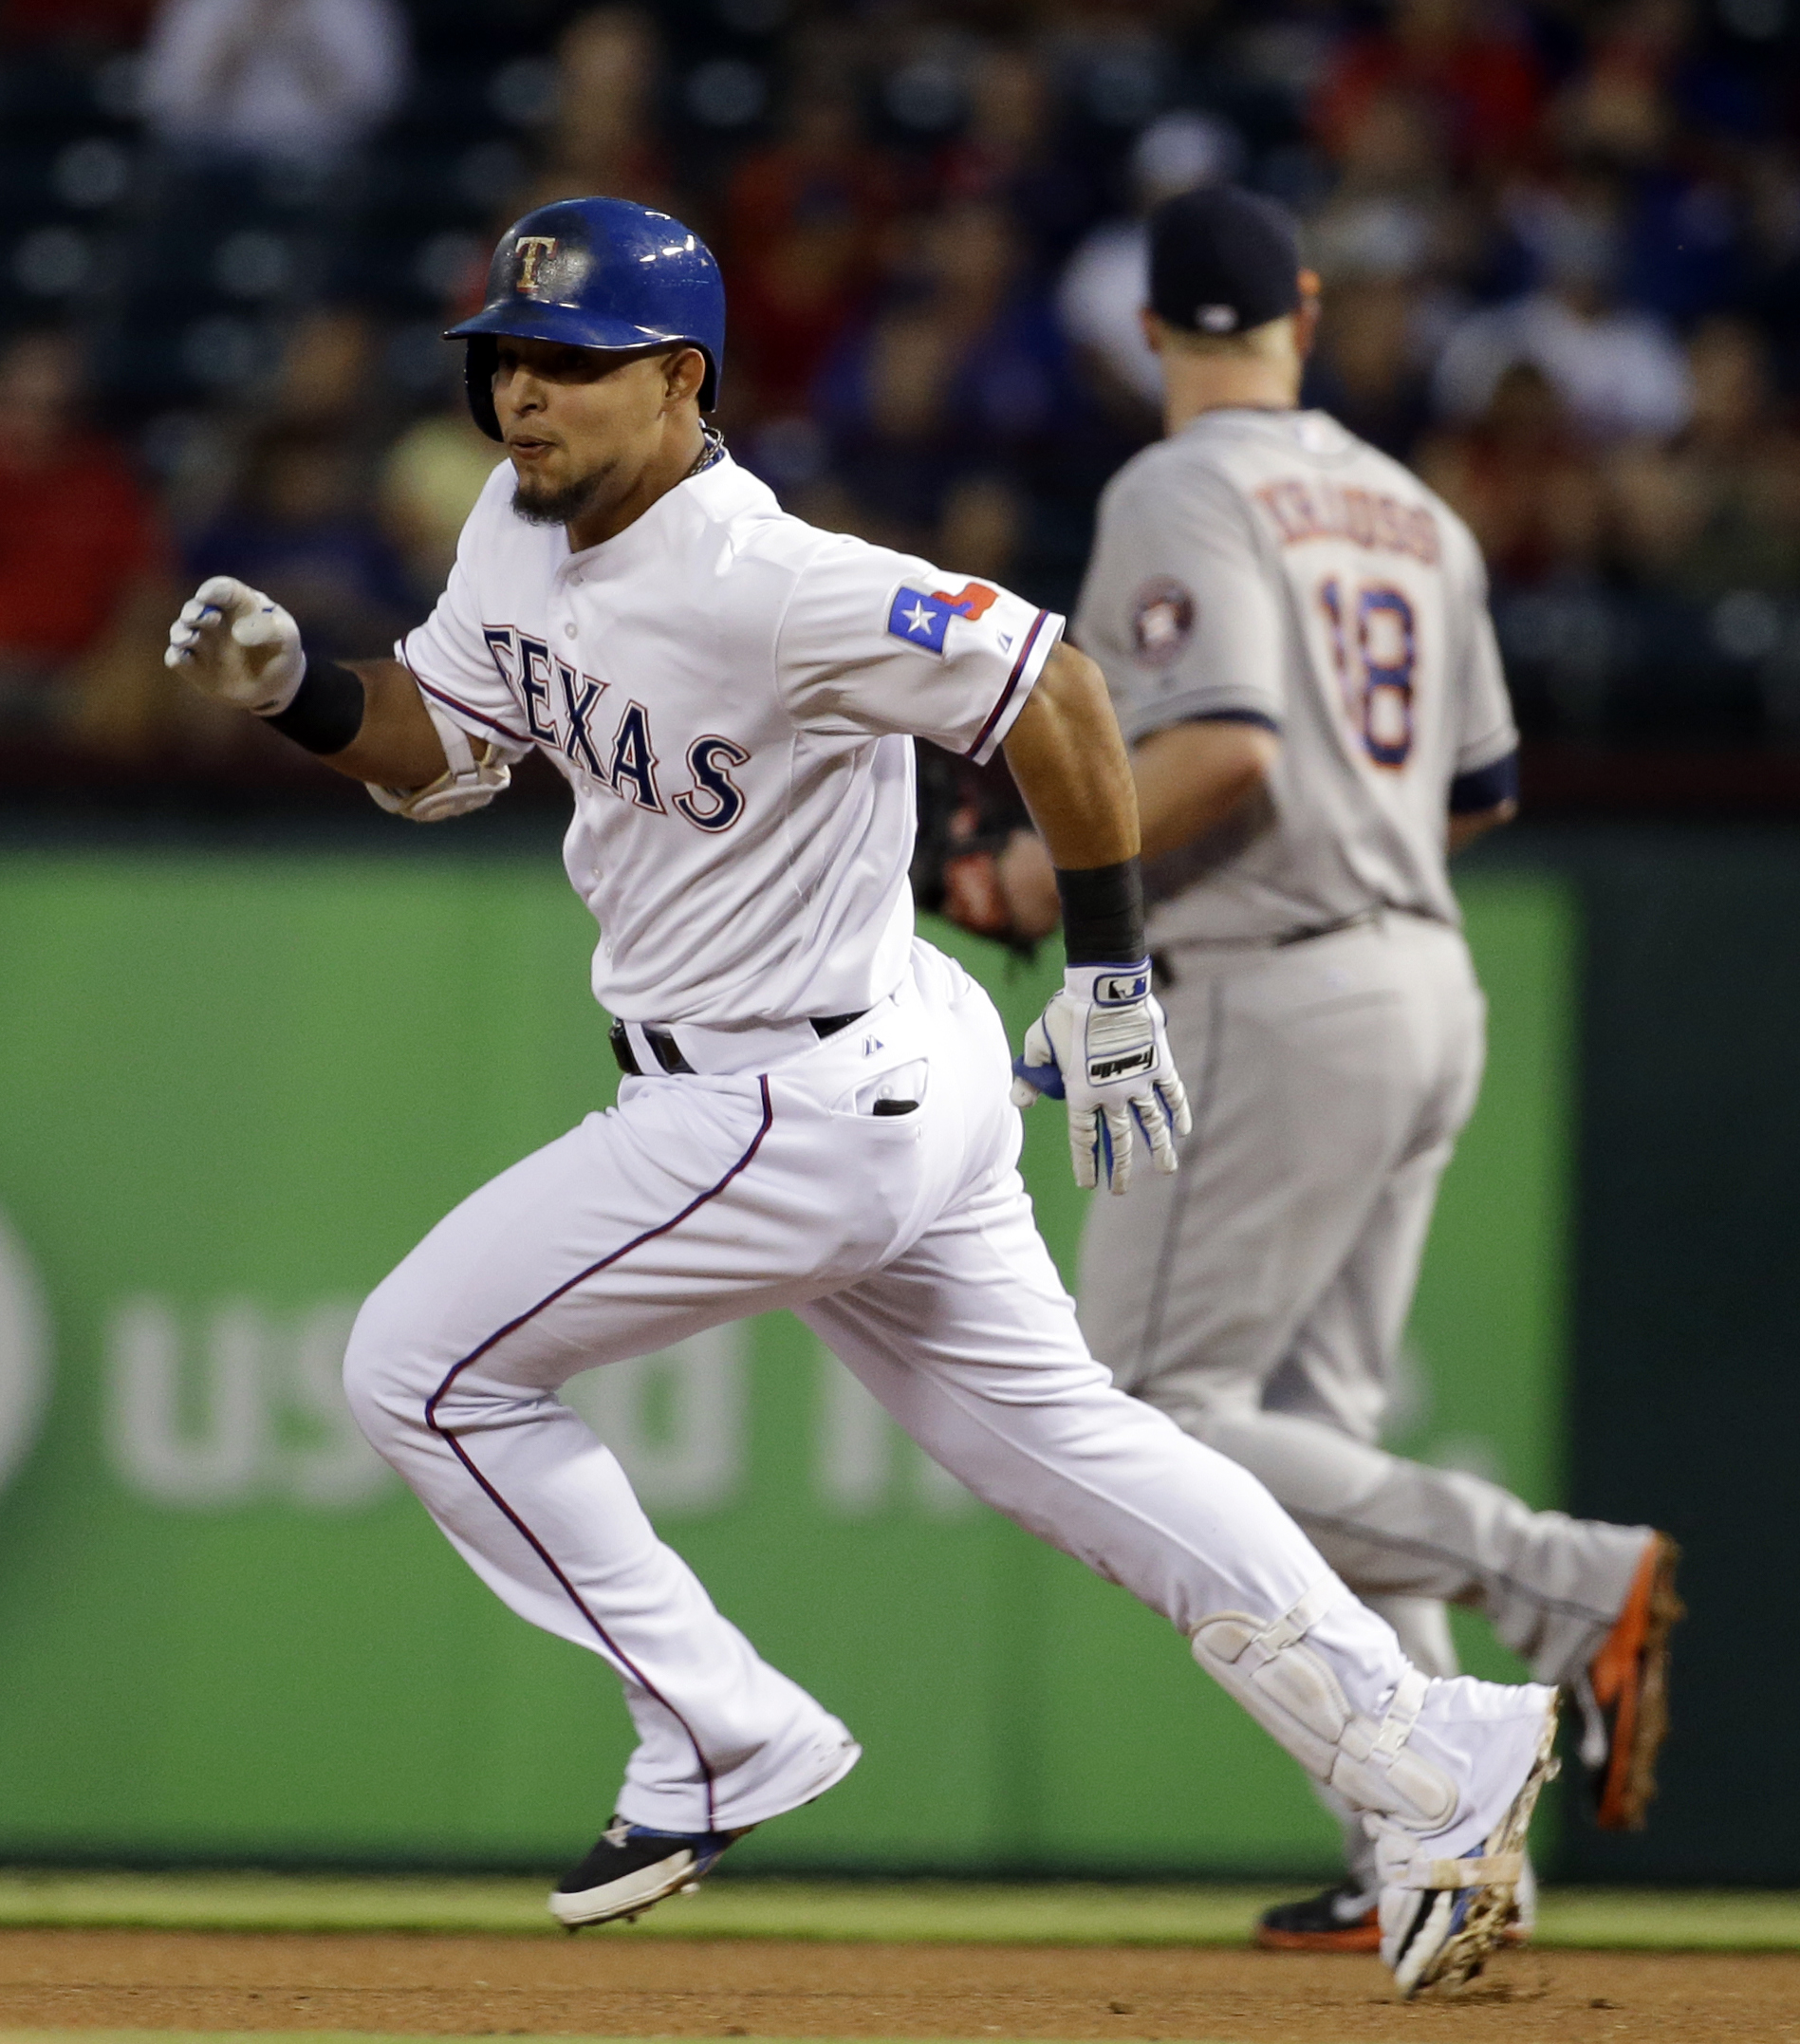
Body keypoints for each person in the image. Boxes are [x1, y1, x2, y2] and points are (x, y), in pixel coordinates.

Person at [165, 195, 1561, 1999]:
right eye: (504, 361)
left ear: (679, 380)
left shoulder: (773, 575)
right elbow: (445, 743)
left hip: (780, 1101)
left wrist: (1116, 971)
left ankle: (721, 1730)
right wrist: (299, 692)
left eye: (570, 367)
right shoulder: (519, 532)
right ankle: (1426, 1744)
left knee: (415, 1365)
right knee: (1075, 1445)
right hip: (883, 1065)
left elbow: (1050, 686)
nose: (523, 399)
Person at [1006, 186, 1679, 1953]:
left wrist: (1029, 876)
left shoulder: (1176, 483)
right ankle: (1447, 1852)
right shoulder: (1411, 506)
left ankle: (1560, 1574)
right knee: (1305, 1442)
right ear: (1302, 310)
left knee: (1143, 1423)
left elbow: (1224, 750)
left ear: (1149, 331)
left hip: (1273, 982)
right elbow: (1478, 793)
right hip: (1422, 976)